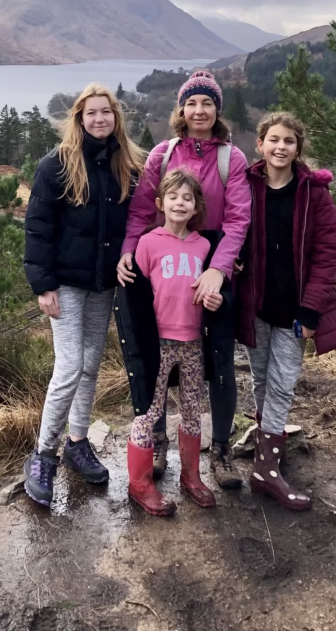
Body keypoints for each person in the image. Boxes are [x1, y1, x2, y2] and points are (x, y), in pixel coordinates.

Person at [117, 70, 251, 489]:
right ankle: (157, 441)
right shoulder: (162, 153)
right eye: (192, 103)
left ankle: (222, 450)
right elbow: (142, 209)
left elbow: (238, 218)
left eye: (207, 103)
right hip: (163, 256)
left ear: (217, 110)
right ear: (181, 109)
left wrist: (219, 267)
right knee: (154, 355)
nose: (199, 110)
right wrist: (128, 249)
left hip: (211, 256)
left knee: (219, 361)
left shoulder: (232, 158)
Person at [22, 84, 144, 506]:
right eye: (90, 113)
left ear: (116, 117)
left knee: (91, 364)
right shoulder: (56, 165)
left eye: (105, 112)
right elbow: (38, 227)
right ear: (78, 118)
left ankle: (78, 441)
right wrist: (43, 285)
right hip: (66, 284)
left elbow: (139, 222)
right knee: (70, 366)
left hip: (104, 283)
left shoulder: (126, 164)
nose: (98, 119)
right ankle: (43, 454)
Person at [236, 112, 336, 510]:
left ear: (298, 148)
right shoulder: (246, 186)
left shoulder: (313, 192)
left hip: (295, 310)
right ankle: (267, 445)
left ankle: (266, 470)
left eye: (289, 141)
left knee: (283, 382)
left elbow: (327, 253)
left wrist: (312, 309)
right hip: (257, 304)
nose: (281, 147)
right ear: (260, 144)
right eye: (274, 139)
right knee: (262, 379)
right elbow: (234, 232)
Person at [126, 169, 219, 516]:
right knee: (149, 412)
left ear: (196, 207)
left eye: (187, 198)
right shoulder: (148, 243)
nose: (180, 203)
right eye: (173, 197)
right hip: (158, 344)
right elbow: (136, 295)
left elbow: (215, 290)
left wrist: (216, 301)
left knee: (193, 411)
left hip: (193, 343)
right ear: (159, 203)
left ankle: (191, 477)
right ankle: (139, 484)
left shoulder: (205, 246)